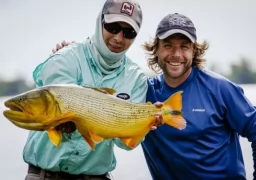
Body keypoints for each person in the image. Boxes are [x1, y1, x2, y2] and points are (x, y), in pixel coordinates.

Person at [22, 0, 165, 180]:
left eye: (128, 32)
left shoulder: (136, 78)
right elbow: (50, 113)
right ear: (100, 21)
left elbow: (125, 145)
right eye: (113, 27)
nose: (119, 38)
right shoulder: (66, 58)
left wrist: (144, 125)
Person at [141, 13, 256, 180]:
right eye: (168, 45)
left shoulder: (220, 89)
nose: (176, 54)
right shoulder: (144, 93)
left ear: (194, 50)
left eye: (184, 46)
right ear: (156, 49)